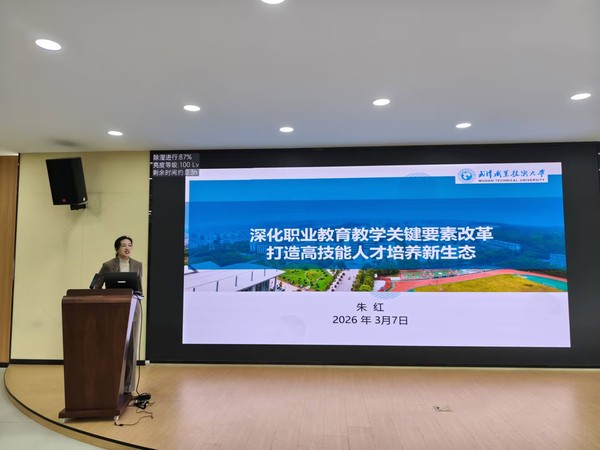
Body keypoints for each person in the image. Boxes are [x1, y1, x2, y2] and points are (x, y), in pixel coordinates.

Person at [93, 235, 143, 395]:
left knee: (131, 349)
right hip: (113, 311)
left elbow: (139, 288)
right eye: (123, 245)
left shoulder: (138, 265)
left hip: (133, 309)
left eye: (130, 245)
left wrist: (138, 297)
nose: (127, 248)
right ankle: (113, 384)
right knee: (114, 347)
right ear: (117, 249)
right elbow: (96, 287)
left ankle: (128, 387)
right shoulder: (108, 265)